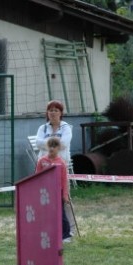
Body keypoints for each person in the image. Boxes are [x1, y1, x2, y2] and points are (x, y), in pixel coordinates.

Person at [35, 99, 75, 237]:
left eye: (56, 110)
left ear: (61, 113)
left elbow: (64, 143)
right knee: (45, 200)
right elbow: (37, 143)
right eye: (50, 110)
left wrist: (48, 144)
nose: (53, 113)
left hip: (60, 166)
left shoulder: (66, 127)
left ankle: (70, 230)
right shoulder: (43, 128)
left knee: (64, 199)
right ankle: (49, 229)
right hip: (45, 167)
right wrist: (53, 143)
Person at [35, 137, 73, 243]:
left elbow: (64, 180)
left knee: (61, 214)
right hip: (45, 192)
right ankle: (49, 233)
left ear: (58, 148)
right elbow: (37, 177)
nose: (52, 148)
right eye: (50, 146)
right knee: (46, 214)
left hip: (57, 192)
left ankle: (66, 235)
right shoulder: (42, 161)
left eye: (54, 146)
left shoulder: (61, 163)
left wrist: (65, 195)